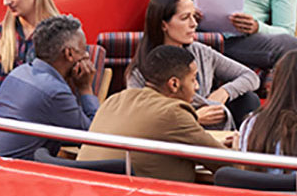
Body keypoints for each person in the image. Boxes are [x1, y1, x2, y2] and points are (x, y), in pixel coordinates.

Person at [77, 45, 234, 182]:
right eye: (193, 79)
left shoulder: (114, 99)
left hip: (87, 193)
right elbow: (227, 164)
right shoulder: (174, 113)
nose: (197, 87)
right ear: (174, 84)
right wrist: (238, 146)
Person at [125, 0, 259, 130]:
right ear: (164, 24)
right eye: (185, 18)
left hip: (211, 123)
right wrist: (194, 117)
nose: (194, 24)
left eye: (194, 17)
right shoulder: (140, 70)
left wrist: (224, 92)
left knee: (248, 99)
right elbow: (139, 118)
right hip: (171, 133)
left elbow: (251, 77)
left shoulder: (201, 52)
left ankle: (243, 148)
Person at [0, 15, 99, 159]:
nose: (87, 55)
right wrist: (85, 88)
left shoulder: (19, 73)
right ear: (69, 54)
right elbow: (94, 139)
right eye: (83, 49)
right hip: (11, 175)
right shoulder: (54, 92)